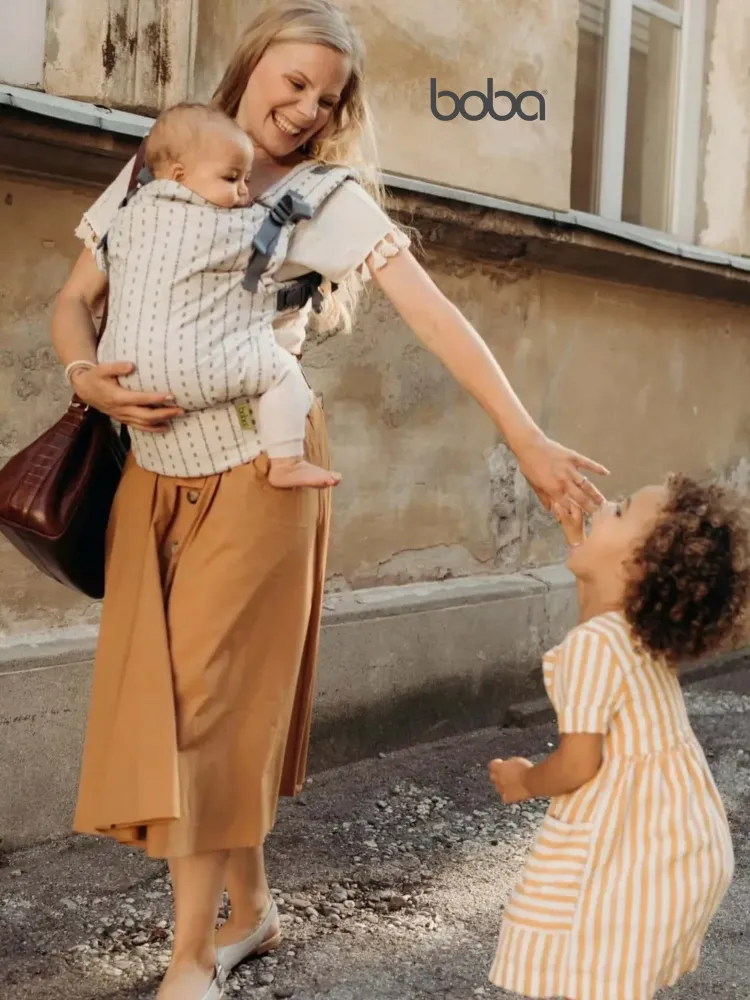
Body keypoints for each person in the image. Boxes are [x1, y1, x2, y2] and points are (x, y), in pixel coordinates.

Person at [51, 2, 608, 998]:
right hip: (153, 478)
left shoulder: (326, 200)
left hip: (261, 478)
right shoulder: (162, 160)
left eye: (328, 97)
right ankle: (253, 908)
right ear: (252, 64)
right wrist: (82, 372)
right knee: (186, 702)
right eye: (292, 82)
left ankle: (189, 961)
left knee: (213, 712)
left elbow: (433, 316)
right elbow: (73, 298)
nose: (307, 108)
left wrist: (524, 437)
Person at [488, 476, 748, 1000]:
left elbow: (580, 763)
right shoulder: (629, 629)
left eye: (620, 509)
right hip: (681, 840)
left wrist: (525, 781)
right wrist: (578, 539)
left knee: (584, 959)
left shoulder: (593, 648)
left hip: (638, 846)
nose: (605, 504)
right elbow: (596, 606)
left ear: (637, 568)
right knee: (608, 973)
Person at [96, 101, 341, 490]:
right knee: (284, 375)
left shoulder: (129, 212)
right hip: (191, 368)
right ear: (179, 176)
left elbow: (104, 258)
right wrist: (284, 215)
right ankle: (288, 462)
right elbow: (268, 244)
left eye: (245, 179)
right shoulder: (217, 225)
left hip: (121, 370)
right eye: (231, 179)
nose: (244, 192)